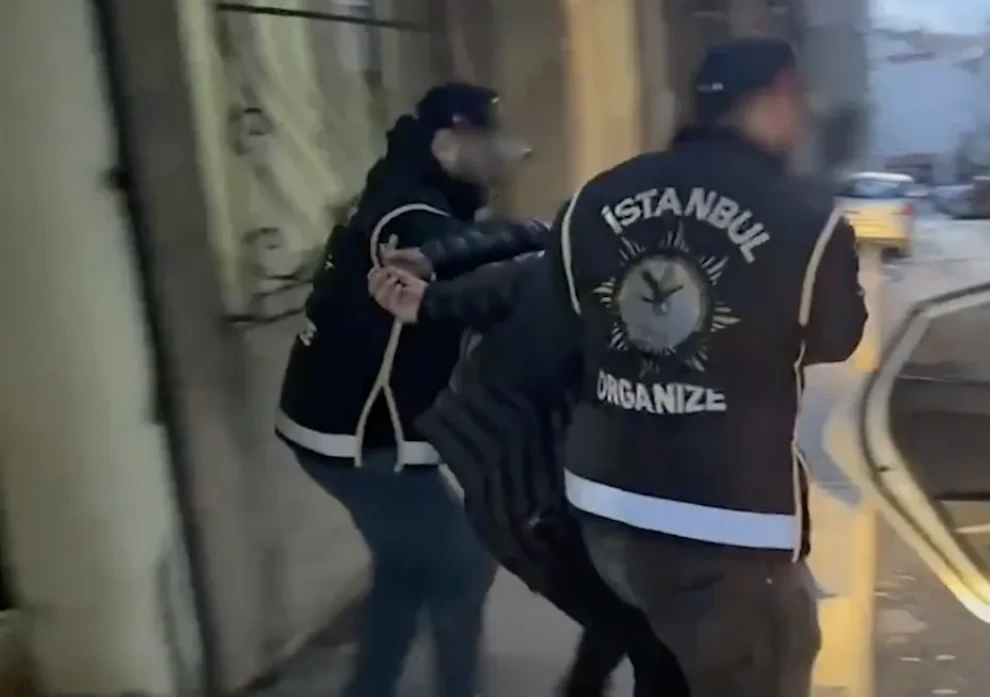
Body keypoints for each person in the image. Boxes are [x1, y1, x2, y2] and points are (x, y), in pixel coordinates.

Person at [556, 38, 866, 697]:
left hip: (605, 511)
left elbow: (558, 327)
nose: (803, 118)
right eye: (797, 102)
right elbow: (837, 337)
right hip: (728, 530)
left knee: (662, 666)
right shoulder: (808, 219)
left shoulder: (594, 199)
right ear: (776, 96)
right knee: (761, 665)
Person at [274, 82, 542, 697]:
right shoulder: (407, 216)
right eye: (493, 140)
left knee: (405, 569)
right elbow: (463, 258)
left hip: (357, 428)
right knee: (463, 566)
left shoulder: (414, 192)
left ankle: (370, 688)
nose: (507, 155)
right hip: (357, 436)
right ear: (454, 137)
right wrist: (551, 236)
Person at [368, 225, 689, 697]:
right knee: (651, 635)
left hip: (532, 483)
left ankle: (582, 685)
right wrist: (431, 291)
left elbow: (528, 237)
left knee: (630, 611)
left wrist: (433, 261)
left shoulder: (582, 258)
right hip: (527, 495)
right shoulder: (595, 292)